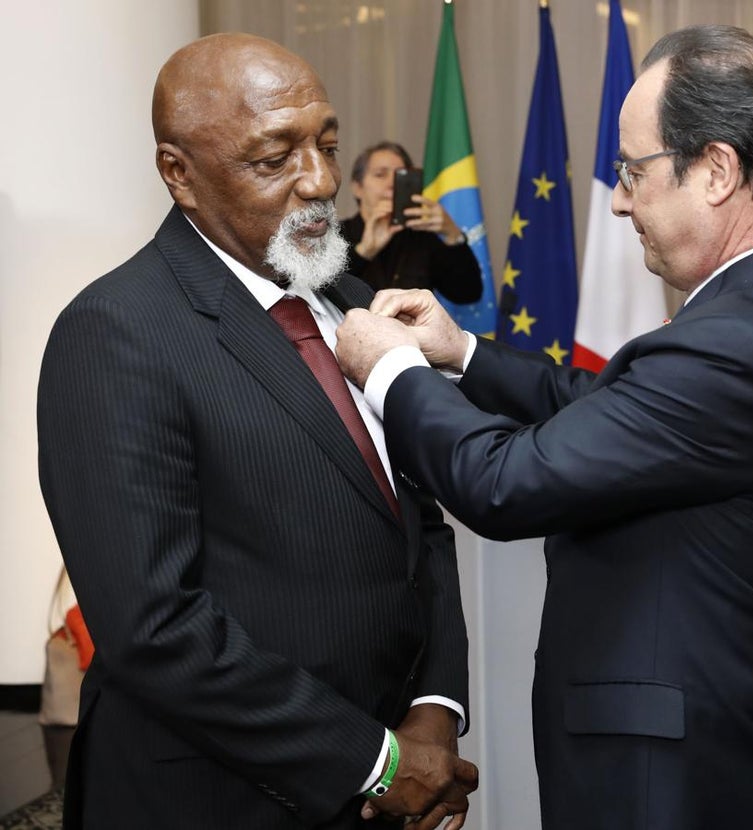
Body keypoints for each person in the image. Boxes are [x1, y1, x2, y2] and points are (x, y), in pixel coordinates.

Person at [336, 25, 753, 830]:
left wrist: (389, 370)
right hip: (743, 732)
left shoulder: (745, 337)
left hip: (700, 771)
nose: (620, 197)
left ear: (718, 170)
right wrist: (461, 352)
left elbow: (503, 483)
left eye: (634, 170)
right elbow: (618, 405)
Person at [37, 33, 476, 830]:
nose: (319, 181)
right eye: (275, 158)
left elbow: (419, 524)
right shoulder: (114, 332)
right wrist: (373, 762)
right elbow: (152, 626)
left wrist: (434, 708)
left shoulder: (349, 295)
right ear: (180, 174)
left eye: (328, 144)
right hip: (215, 800)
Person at [341, 141, 482, 303]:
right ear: (357, 187)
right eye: (380, 175)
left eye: (400, 176)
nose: (391, 184)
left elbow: (468, 294)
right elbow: (322, 294)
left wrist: (453, 234)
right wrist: (363, 252)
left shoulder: (421, 237)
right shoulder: (336, 234)